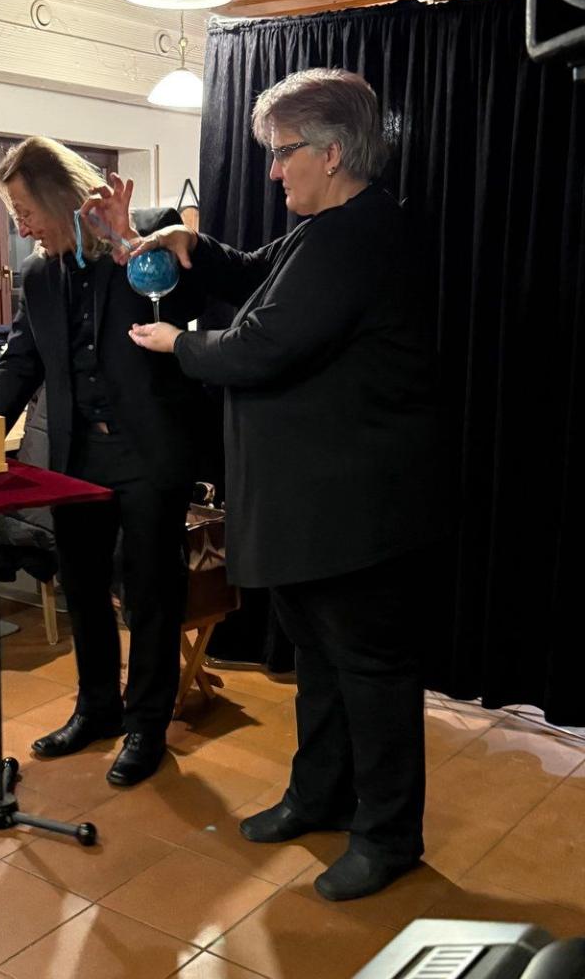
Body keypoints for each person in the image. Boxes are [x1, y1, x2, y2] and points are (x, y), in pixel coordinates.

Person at [111, 68, 452, 899]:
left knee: (371, 674)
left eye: (283, 153)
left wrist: (178, 344)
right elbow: (251, 275)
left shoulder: (358, 236)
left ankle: (388, 837)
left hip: (357, 512)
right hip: (316, 508)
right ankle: (319, 795)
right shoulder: (325, 229)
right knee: (321, 663)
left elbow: (263, 345)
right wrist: (189, 245)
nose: (271, 171)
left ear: (331, 153)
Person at [0, 136, 206, 786]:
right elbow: (22, 362)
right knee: (81, 587)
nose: (22, 227)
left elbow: (192, 305)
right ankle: (98, 707)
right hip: (77, 456)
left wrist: (127, 242)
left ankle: (148, 725)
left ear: (58, 198)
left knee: (151, 593)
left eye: (25, 211)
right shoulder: (38, 276)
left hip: (148, 452)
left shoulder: (146, 237)